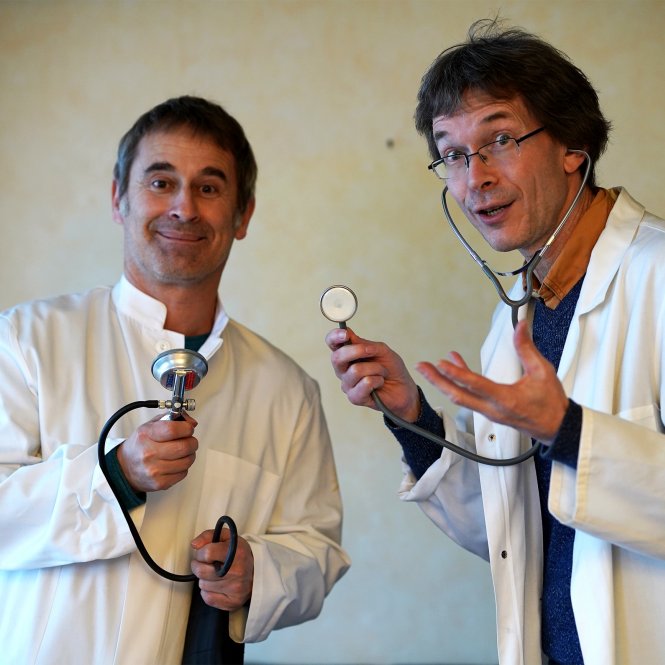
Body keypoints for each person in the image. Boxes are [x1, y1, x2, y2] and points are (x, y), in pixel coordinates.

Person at [325, 18, 665, 665]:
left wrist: (566, 430)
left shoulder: (657, 277)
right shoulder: (515, 317)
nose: (473, 177)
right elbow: (510, 530)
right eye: (452, 154)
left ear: (572, 145)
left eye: (499, 140)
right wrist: (412, 418)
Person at [0, 95, 350, 665]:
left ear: (243, 216)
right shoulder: (25, 341)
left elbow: (316, 550)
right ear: (119, 198)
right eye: (161, 183)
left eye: (209, 188)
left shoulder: (287, 391)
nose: (184, 208)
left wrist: (258, 573)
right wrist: (115, 474)